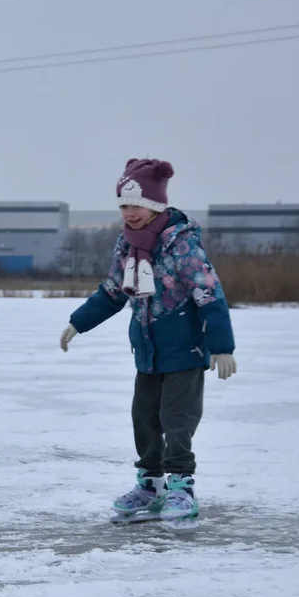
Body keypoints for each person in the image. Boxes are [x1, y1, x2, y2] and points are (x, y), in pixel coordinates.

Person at [58, 158, 237, 523]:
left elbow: (208, 293)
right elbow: (113, 292)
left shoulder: (181, 245)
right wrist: (79, 322)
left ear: (155, 205)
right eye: (123, 206)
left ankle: (181, 486)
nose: (129, 213)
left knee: (177, 419)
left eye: (135, 205)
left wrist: (222, 346)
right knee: (144, 417)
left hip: (184, 349)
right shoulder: (126, 247)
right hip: (147, 350)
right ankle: (150, 484)